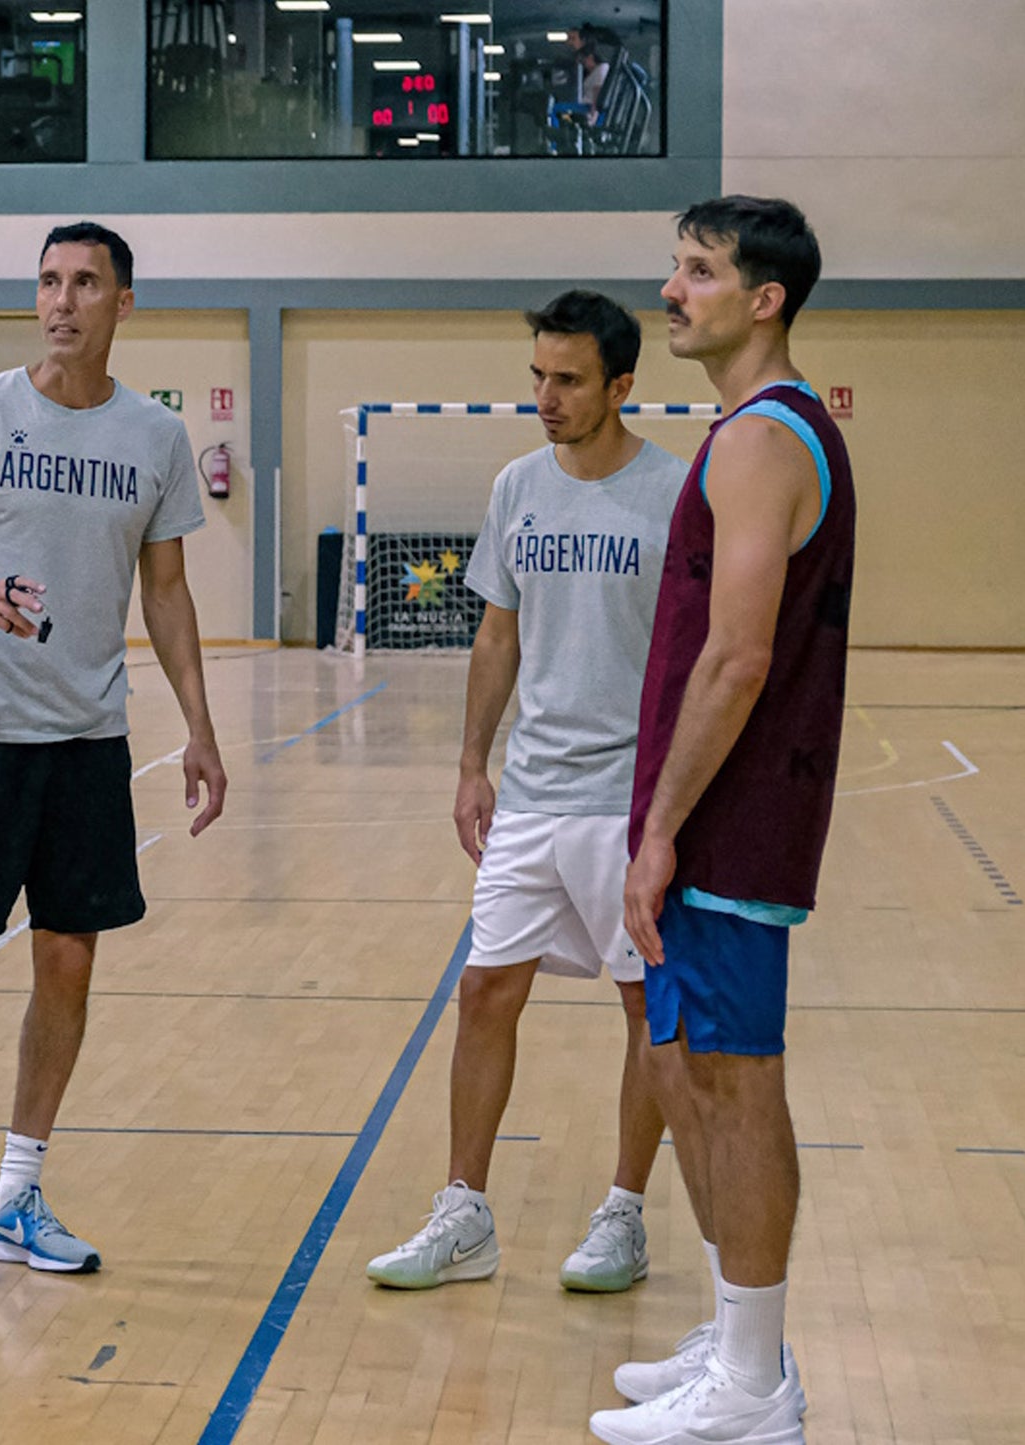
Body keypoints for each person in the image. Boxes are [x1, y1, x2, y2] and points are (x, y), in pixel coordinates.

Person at [0, 221, 227, 1291]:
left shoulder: (155, 438)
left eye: (84, 282)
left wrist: (199, 725)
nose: (61, 299)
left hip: (87, 739)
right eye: (47, 281)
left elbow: (163, 590)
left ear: (124, 302)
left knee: (67, 963)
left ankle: (16, 1194)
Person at [591, 197, 854, 1445]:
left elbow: (736, 658)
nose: (672, 289)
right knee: (695, 1068)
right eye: (675, 266)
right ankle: (731, 1337)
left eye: (698, 272)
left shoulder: (760, 439)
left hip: (734, 818)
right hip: (718, 815)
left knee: (735, 1083)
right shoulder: (751, 431)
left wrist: (657, 832)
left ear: (765, 300)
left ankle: (755, 1388)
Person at [365, 291, 688, 1292]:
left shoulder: (677, 493)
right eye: (536, 378)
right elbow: (496, 631)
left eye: (567, 379)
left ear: (621, 385)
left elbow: (704, 650)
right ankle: (463, 1210)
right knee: (481, 989)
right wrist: (472, 762)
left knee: (644, 1012)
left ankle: (623, 1214)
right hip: (534, 792)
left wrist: (675, 806)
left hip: (628, 802)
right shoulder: (515, 485)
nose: (545, 397)